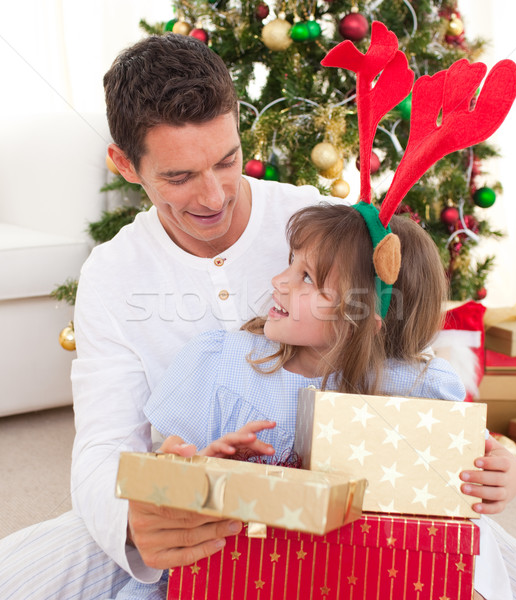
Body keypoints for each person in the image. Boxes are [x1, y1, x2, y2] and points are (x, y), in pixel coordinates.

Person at [0, 33, 331, 599]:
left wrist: (499, 452)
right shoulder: (111, 273)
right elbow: (104, 444)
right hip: (195, 514)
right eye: (178, 178)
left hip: (336, 504)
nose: (213, 197)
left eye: (227, 161)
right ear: (126, 165)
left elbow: (417, 353)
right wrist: (132, 521)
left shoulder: (319, 219)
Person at [117, 204, 516, 600]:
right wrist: (207, 462)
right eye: (290, 262)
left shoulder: (415, 387)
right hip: (243, 575)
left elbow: (473, 464)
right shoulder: (227, 364)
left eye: (307, 277)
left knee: (479, 553)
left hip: (366, 575)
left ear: (364, 315)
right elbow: (168, 480)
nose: (279, 280)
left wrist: (505, 476)